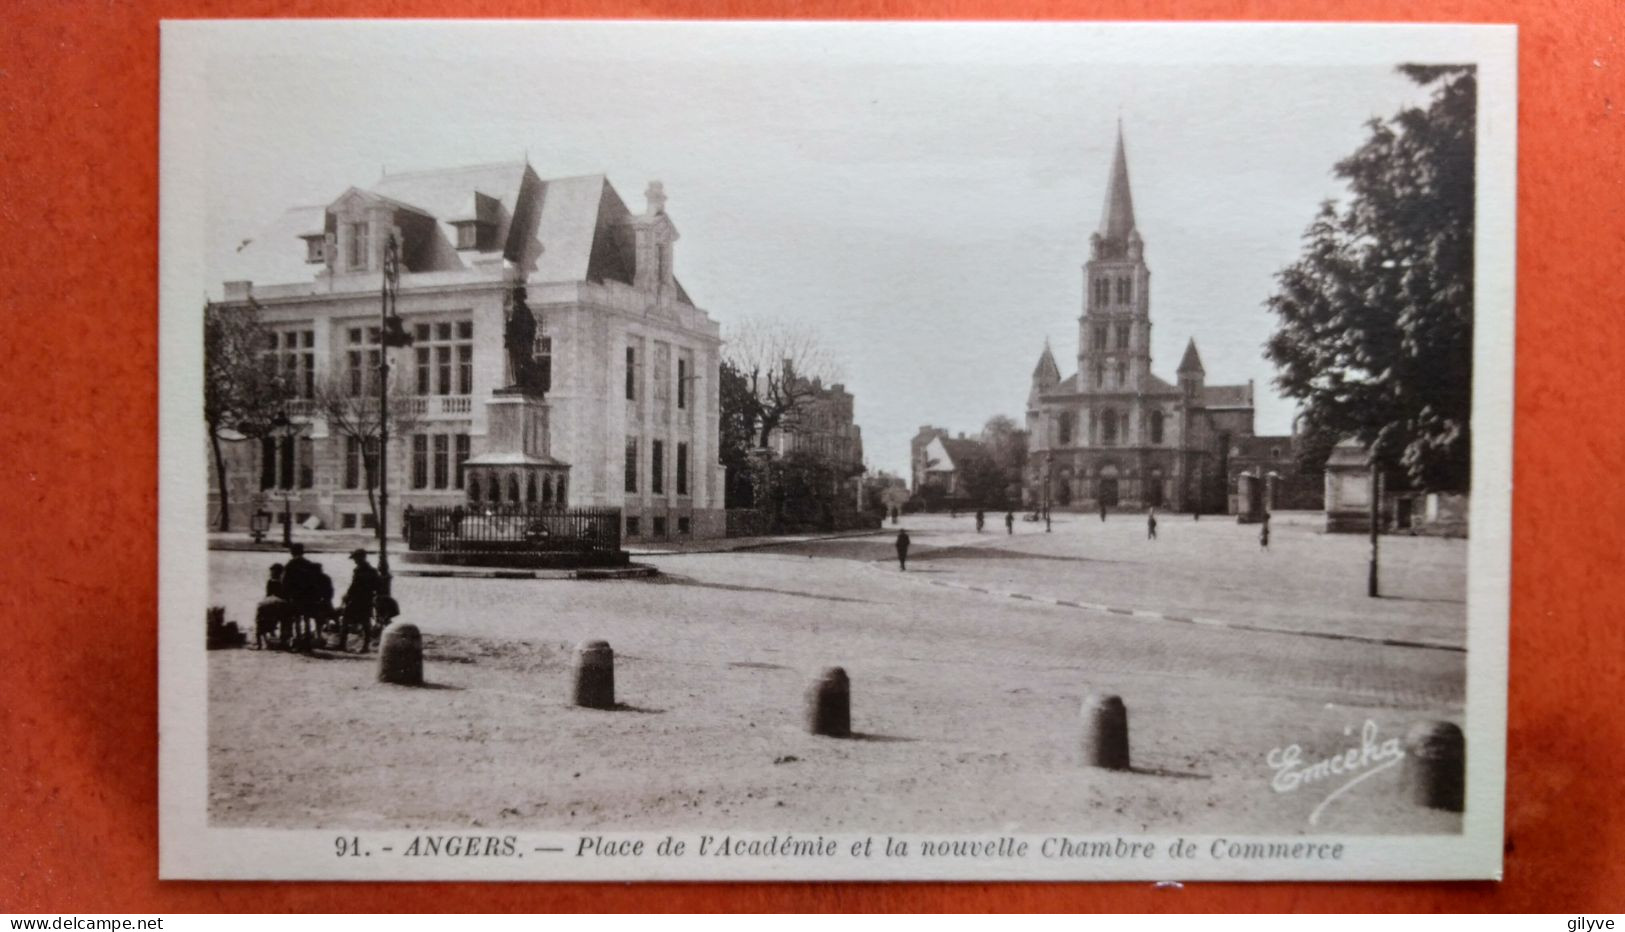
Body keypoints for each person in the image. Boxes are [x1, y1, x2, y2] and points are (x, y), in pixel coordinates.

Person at [281, 543, 323, 651]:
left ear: (292, 552)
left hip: (296, 596)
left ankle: (299, 641)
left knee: (297, 619)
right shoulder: (308, 564)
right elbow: (316, 581)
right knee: (307, 618)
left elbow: (285, 582)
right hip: (308, 596)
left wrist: (287, 595)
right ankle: (307, 642)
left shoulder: (290, 565)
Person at [340, 549, 382, 652]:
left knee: (346, 620)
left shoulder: (358, 570)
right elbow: (377, 587)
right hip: (367, 599)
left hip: (356, 600)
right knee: (365, 622)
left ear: (361, 558)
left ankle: (342, 644)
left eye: (355, 558)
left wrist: (347, 596)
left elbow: (354, 586)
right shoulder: (373, 571)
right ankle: (365, 646)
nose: (355, 561)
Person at [254, 563, 288, 650]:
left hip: (269, 603)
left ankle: (261, 642)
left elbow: (268, 595)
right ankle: (281, 639)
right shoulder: (283, 582)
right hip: (279, 604)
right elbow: (284, 595)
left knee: (262, 617)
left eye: (272, 572)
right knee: (285, 617)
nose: (271, 573)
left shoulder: (270, 582)